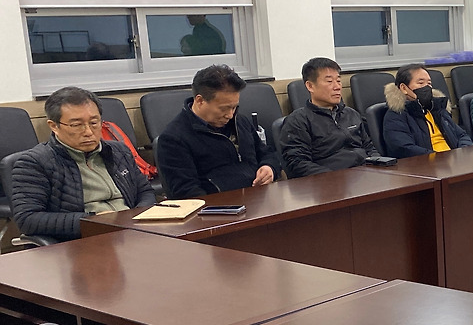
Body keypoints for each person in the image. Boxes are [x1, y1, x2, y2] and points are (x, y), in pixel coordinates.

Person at [10, 87, 156, 242]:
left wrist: (135, 217)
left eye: (94, 123)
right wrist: (92, 220)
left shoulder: (118, 151)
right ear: (54, 126)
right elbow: (28, 219)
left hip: (133, 232)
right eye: (76, 125)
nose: (88, 132)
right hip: (84, 239)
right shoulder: (35, 162)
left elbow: (145, 192)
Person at [156, 65, 281, 198]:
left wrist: (269, 168)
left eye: (234, 107)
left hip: (257, 199)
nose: (230, 115)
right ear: (200, 101)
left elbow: (267, 153)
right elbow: (187, 193)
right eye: (223, 109)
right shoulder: (173, 139)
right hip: (218, 207)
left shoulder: (240, 122)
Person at [279, 58, 376, 177]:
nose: (337, 87)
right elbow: (297, 163)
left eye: (338, 81)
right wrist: (334, 178)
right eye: (329, 81)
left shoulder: (351, 114)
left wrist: (380, 165)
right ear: (310, 86)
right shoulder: (298, 120)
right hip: (329, 181)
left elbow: (370, 148)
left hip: (364, 176)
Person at [381, 64, 473, 156]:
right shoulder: (396, 115)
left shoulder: (437, 109)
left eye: (429, 83)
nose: (427, 87)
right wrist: (439, 158)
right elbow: (403, 148)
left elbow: (462, 135)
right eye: (421, 83)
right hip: (427, 162)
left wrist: (462, 152)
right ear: (404, 88)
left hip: (455, 159)